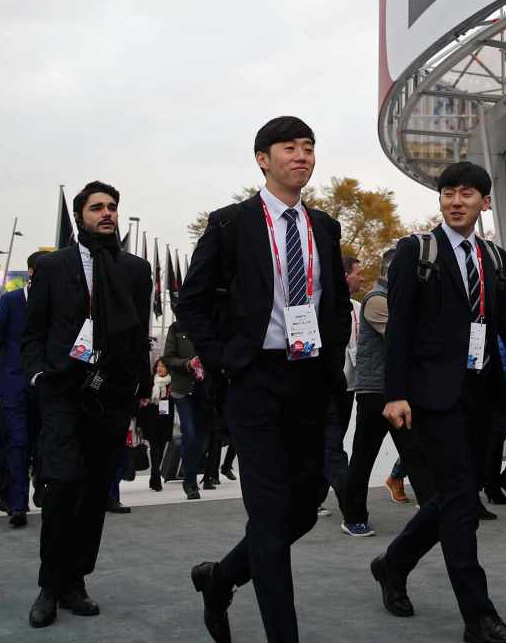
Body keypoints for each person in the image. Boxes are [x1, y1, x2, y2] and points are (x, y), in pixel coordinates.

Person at [179, 116, 353, 643]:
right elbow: (191, 302)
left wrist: (332, 358)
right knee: (272, 514)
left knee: (305, 505)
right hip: (255, 382)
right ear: (263, 159)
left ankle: (221, 577)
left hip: (310, 379)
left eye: (308, 148)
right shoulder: (232, 223)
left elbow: (336, 304)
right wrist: (226, 359)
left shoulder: (324, 226)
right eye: (288, 148)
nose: (301, 156)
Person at [372, 161, 506, 643]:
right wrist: (394, 394)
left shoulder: (493, 257)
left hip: (482, 394)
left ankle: (392, 564)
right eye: (449, 192)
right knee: (460, 504)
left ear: (484, 202)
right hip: (432, 398)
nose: (457, 201)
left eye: (467, 194)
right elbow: (399, 330)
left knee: (454, 496)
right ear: (440, 200)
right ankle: (478, 617)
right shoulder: (417, 251)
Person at [21, 180, 152, 627]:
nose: (107, 213)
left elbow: (137, 336)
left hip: (110, 394)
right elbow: (33, 330)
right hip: (62, 390)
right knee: (61, 485)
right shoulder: (55, 267)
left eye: (112, 207)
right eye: (97, 207)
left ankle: (76, 581)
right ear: (81, 216)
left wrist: (137, 387)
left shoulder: (135, 269)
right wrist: (38, 373)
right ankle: (49, 585)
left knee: (95, 491)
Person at [338, 247, 436, 536]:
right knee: (364, 457)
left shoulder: (400, 300)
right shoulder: (377, 301)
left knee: (415, 453)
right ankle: (354, 516)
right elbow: (403, 340)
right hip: (374, 393)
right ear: (392, 272)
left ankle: (433, 513)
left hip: (398, 392)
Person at [0, 250, 46, 528]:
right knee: (18, 442)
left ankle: (33, 488)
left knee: (41, 444)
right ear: (31, 272)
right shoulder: (10, 301)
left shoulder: (57, 303)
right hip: (13, 384)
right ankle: (18, 505)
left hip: (45, 386)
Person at [321, 256, 364, 516]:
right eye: (357, 273)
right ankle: (352, 510)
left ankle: (311, 499)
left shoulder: (358, 308)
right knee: (333, 448)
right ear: (345, 275)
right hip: (325, 386)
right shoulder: (322, 305)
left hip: (349, 387)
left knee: (328, 448)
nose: (361, 277)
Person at [163, 319, 206, 500]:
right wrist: (187, 364)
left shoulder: (209, 324)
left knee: (202, 437)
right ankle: (190, 482)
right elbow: (168, 357)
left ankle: (193, 473)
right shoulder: (176, 327)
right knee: (189, 433)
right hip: (183, 389)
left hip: (205, 389)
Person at [141, 358, 175, 492]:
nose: (159, 369)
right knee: (155, 449)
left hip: (165, 420)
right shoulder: (151, 381)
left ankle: (153, 476)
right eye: (158, 366)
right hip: (151, 419)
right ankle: (156, 478)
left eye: (162, 366)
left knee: (160, 449)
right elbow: (144, 399)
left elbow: (172, 403)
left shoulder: (171, 383)